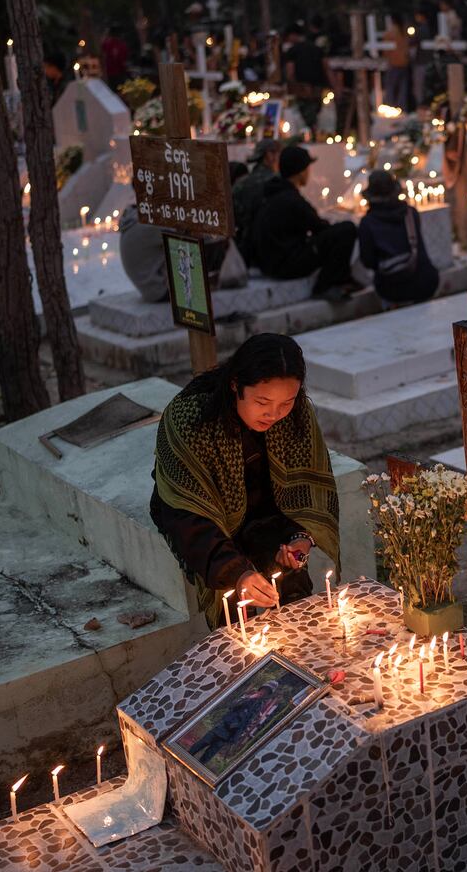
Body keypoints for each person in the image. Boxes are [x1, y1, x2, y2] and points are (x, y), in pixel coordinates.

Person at [150, 334, 340, 629]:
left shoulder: (296, 416)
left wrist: (299, 537)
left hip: (267, 518)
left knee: (291, 591)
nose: (274, 414)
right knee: (238, 618)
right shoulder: (190, 420)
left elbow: (305, 493)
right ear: (236, 384)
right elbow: (184, 515)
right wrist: (236, 572)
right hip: (205, 522)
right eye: (263, 402)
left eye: (286, 402)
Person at [253, 145, 359, 299]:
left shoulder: (272, 193)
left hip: (269, 262)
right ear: (301, 171)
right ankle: (327, 285)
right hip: (285, 264)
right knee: (346, 230)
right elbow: (319, 227)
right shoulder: (291, 199)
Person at [356, 170, 440, 305]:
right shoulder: (411, 214)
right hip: (425, 283)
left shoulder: (368, 223)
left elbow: (368, 261)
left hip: (392, 288)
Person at [119, 203, 228, 303]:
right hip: (159, 289)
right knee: (208, 245)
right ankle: (225, 277)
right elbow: (185, 232)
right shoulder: (147, 222)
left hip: (148, 286)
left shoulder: (133, 220)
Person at [233, 139, 280, 267]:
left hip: (243, 248)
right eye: (278, 153)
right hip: (271, 249)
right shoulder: (277, 182)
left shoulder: (240, 183)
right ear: (270, 155)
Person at [283, 21, 328, 138]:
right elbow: (326, 68)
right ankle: (317, 136)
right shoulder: (316, 49)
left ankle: (310, 137)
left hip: (302, 89)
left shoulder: (292, 51)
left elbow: (290, 72)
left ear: (292, 35)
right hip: (318, 89)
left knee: (305, 118)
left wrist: (292, 85)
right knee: (316, 116)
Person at [382, 13, 413, 110]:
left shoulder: (390, 33)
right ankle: (402, 109)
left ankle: (390, 108)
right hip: (404, 63)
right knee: (402, 89)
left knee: (391, 88)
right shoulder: (405, 31)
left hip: (394, 63)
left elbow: (386, 50)